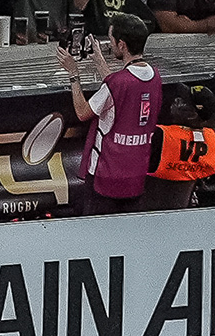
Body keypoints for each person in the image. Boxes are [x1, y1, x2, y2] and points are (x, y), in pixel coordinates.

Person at [68, 18, 162, 215]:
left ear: (122, 44)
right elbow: (119, 89)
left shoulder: (118, 83)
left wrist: (73, 74)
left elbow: (82, 112)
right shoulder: (155, 77)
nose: (110, 45)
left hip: (105, 178)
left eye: (111, 40)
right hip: (136, 178)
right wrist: (99, 60)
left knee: (98, 232)